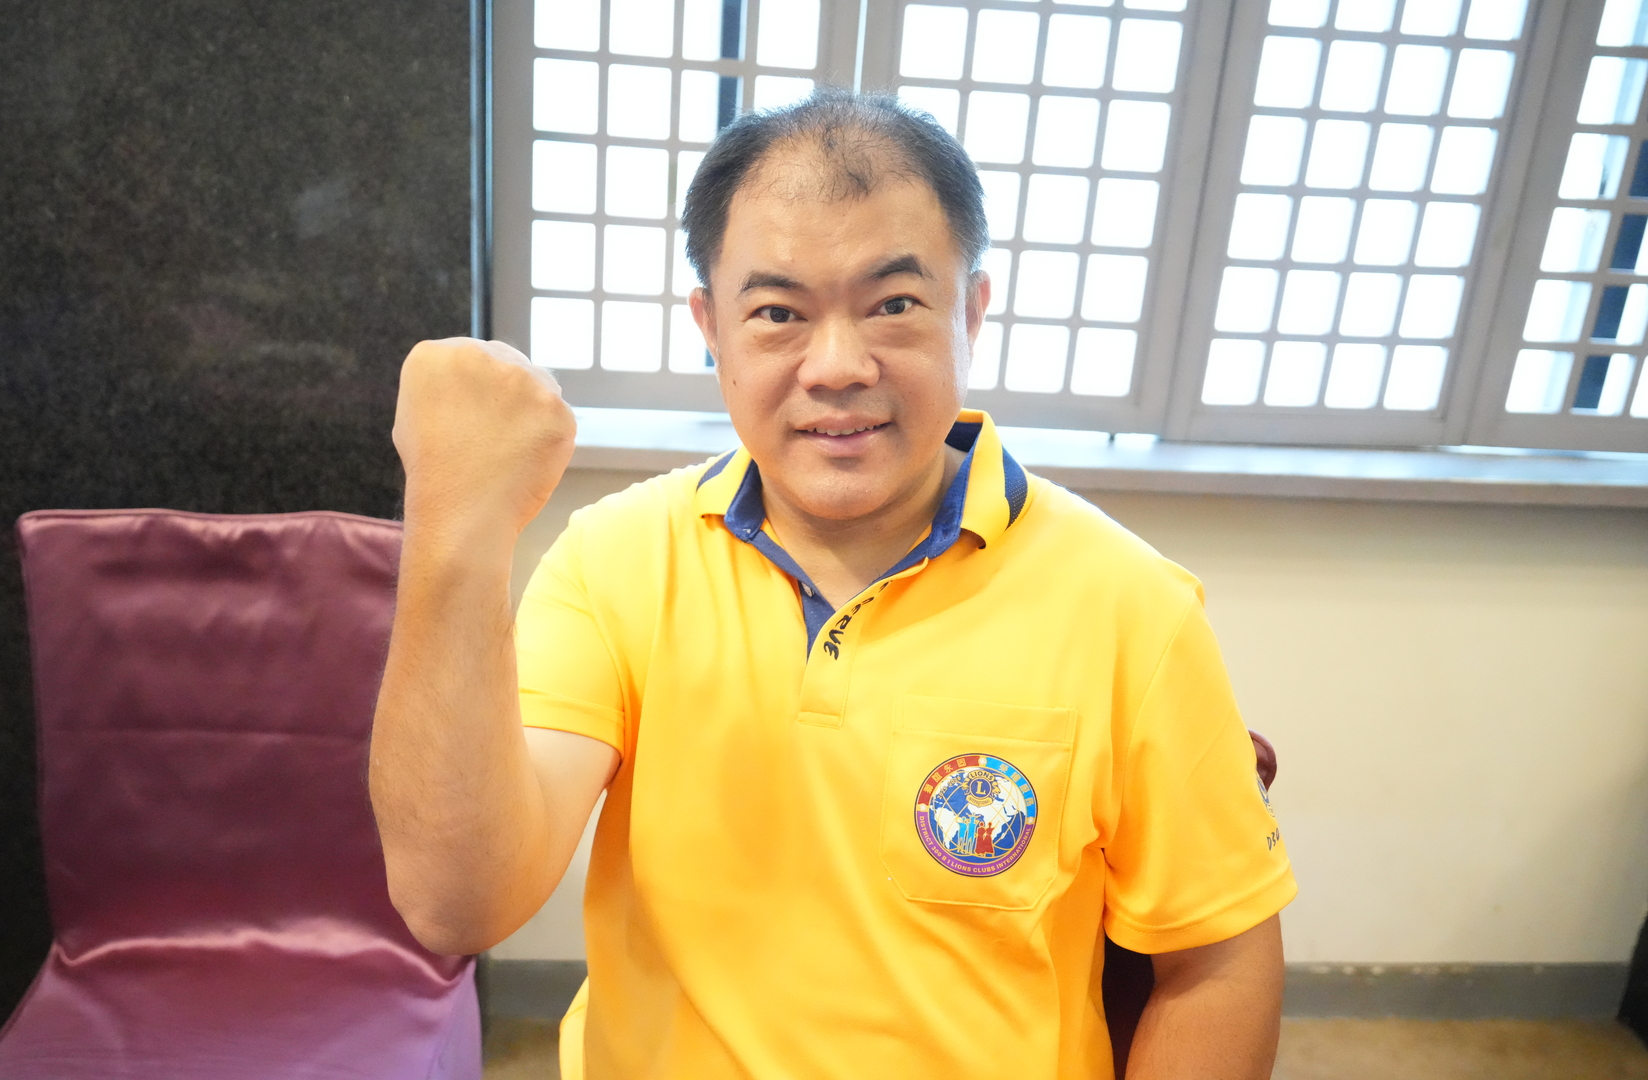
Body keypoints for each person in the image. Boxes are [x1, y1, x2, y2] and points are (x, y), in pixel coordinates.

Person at [370, 88, 1295, 1079]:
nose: (839, 366)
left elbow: (1218, 961)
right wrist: (456, 529)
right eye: (778, 313)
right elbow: (456, 902)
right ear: (712, 327)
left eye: (894, 305)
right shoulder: (618, 559)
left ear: (971, 311)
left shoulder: (1131, 606)